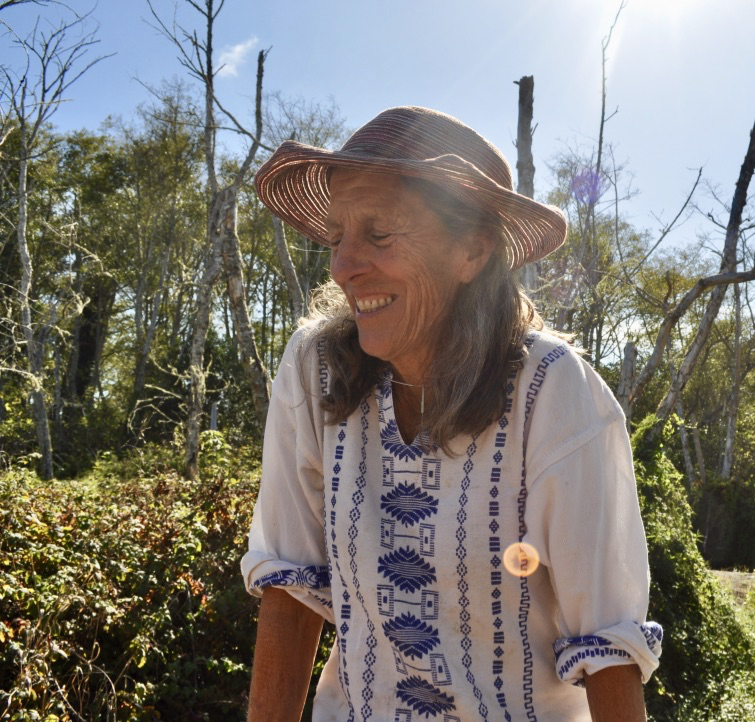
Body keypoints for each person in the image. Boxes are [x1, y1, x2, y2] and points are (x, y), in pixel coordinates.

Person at [241, 106, 662, 721]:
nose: (343, 264)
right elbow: (291, 590)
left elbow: (608, 646)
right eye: (336, 237)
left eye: (379, 234)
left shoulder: (552, 392)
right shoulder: (316, 370)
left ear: (472, 249)